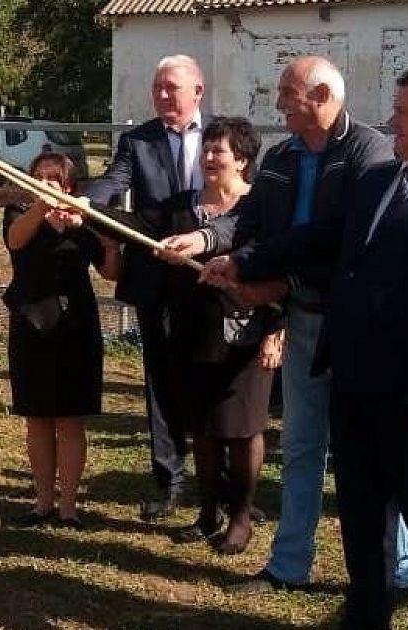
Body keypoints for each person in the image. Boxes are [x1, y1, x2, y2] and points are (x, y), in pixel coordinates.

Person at [200, 65, 408, 628]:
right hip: (353, 380)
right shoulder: (383, 179)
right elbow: (318, 238)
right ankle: (366, 613)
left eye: (403, 110)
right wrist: (242, 260)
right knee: (362, 515)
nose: (390, 118)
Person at [161, 56, 408, 592]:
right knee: (301, 447)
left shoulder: (368, 155)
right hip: (302, 323)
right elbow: (247, 220)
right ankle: (289, 567)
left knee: (372, 453)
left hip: (355, 329)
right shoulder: (280, 157)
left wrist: (274, 279)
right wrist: (205, 240)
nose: (278, 105)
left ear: (321, 96)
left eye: (287, 94)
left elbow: (345, 238)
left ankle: (398, 571)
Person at [145, 117, 283, 554]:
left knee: (241, 429)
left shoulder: (260, 208)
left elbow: (282, 272)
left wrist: (277, 332)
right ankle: (208, 513)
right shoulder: (181, 207)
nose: (207, 158)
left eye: (217, 151)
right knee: (203, 428)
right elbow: (136, 230)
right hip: (192, 334)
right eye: (205, 150)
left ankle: (240, 516)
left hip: (247, 335)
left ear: (241, 160)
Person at [84, 54, 207, 520]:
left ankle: (224, 485)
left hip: (209, 274)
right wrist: (84, 201)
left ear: (198, 91)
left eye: (170, 87)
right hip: (156, 275)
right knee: (162, 380)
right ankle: (170, 480)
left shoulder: (220, 135)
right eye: (156, 87)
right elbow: (113, 183)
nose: (160, 95)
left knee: (214, 379)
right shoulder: (138, 142)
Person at [2, 152, 122, 528]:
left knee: (70, 420)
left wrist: (106, 238)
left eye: (53, 180)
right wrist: (41, 207)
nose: (44, 184)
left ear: (69, 187)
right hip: (31, 326)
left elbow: (111, 271)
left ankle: (68, 507)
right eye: (37, 177)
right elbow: (16, 241)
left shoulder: (83, 223)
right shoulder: (19, 212)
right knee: (37, 417)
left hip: (75, 328)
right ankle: (42, 503)